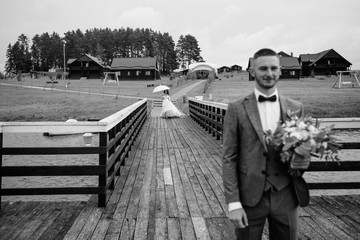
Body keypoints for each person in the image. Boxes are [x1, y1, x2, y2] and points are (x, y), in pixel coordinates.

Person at [222, 48, 310, 240]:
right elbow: (229, 158)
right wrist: (233, 203)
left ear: (280, 70)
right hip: (249, 197)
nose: (269, 74)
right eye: (263, 68)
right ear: (253, 71)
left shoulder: (296, 108)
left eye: (273, 68)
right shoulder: (236, 108)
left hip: (286, 194)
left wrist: (303, 159)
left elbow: (303, 149)